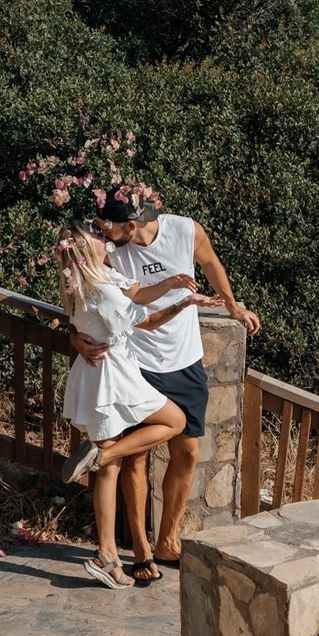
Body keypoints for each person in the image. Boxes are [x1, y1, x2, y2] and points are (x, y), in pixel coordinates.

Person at [72, 189, 261, 584]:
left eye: (110, 227)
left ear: (131, 225)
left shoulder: (184, 231)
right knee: (137, 458)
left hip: (185, 358)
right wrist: (73, 336)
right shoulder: (108, 250)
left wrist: (233, 306)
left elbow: (211, 264)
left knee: (188, 451)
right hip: (137, 362)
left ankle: (166, 540)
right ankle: (141, 550)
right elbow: (82, 290)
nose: (104, 234)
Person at [57, 222, 220, 589]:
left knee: (112, 466)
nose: (105, 239)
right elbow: (144, 321)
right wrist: (184, 302)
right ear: (87, 253)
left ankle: (108, 556)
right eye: (97, 238)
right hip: (114, 375)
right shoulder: (103, 292)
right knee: (171, 423)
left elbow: (140, 295)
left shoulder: (90, 283)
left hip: (98, 374)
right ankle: (100, 458)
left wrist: (179, 290)